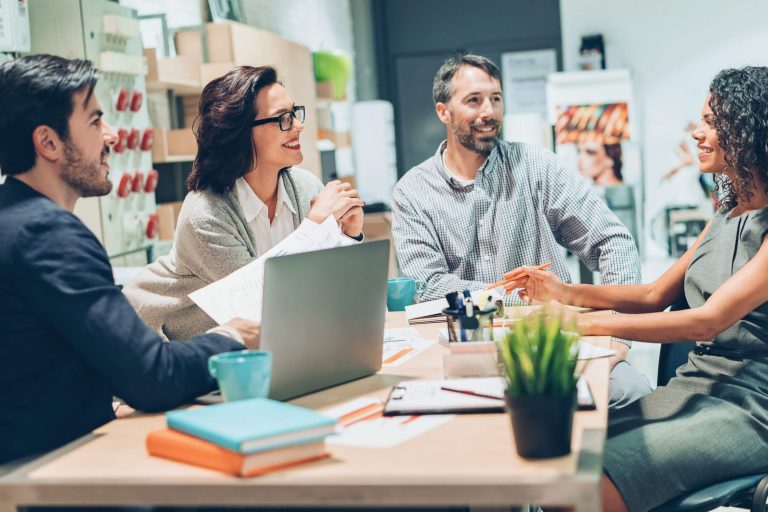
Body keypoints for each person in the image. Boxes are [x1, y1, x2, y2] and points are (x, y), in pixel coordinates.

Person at [502, 66, 768, 512]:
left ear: (746, 129)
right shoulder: (728, 207)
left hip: (750, 404)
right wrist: (563, 292)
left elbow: (707, 320)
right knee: (559, 460)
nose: (697, 134)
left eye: (711, 122)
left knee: (583, 487)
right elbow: (653, 295)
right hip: (697, 384)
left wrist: (575, 324)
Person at [0, 55, 261, 465]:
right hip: (57, 475)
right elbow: (154, 376)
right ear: (48, 143)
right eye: (94, 120)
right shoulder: (46, 235)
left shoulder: (13, 219)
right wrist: (232, 336)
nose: (113, 135)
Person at [391, 54, 651, 408]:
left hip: (553, 341)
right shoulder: (413, 191)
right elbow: (428, 285)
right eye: (474, 100)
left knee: (632, 392)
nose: (489, 111)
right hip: (467, 351)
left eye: (496, 99)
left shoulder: (536, 166)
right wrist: (523, 297)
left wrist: (620, 330)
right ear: (443, 112)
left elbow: (612, 241)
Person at [124, 66, 364, 340]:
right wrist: (316, 225)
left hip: (262, 346)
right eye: (282, 118)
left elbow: (325, 288)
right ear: (240, 132)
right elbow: (258, 303)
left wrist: (347, 236)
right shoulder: (206, 213)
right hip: (165, 347)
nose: (298, 125)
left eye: (294, 113)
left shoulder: (306, 187)